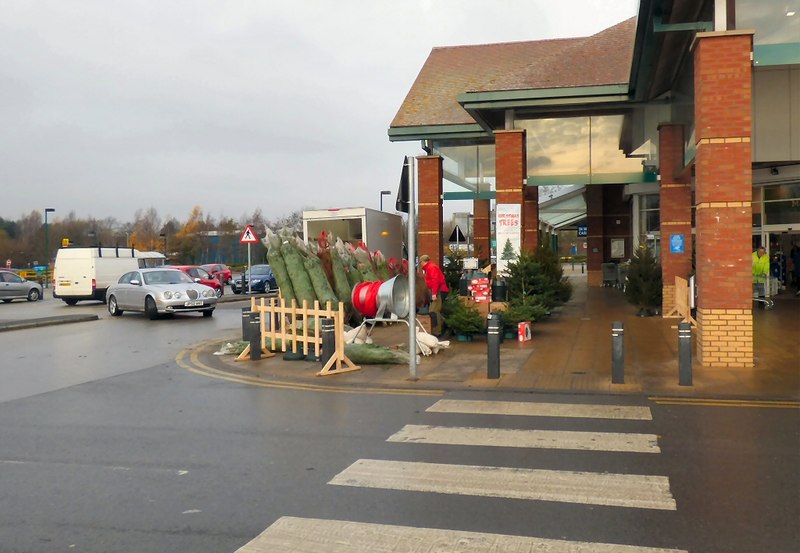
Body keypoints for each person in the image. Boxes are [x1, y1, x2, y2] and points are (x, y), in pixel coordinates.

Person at [419, 254, 449, 336]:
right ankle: (444, 326)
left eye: (420, 262)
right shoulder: (430, 267)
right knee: (435, 310)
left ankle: (437, 331)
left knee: (433, 311)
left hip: (438, 291)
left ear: (422, 261)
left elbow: (435, 281)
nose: (420, 264)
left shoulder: (431, 268)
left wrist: (434, 294)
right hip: (439, 290)